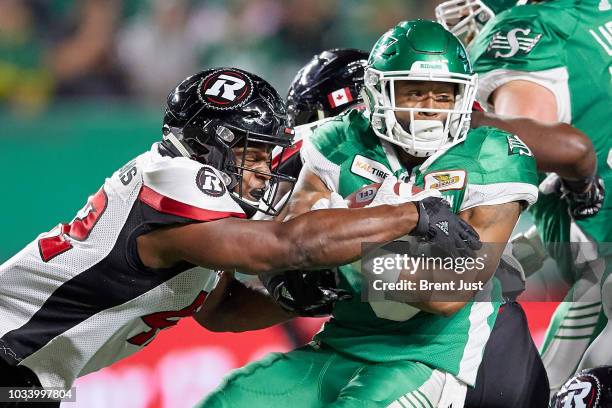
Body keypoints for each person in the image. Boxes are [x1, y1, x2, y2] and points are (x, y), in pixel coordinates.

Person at [0, 67, 480, 407]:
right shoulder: (173, 178)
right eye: (251, 153)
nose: (262, 171)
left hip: (34, 380)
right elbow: (285, 245)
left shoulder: (201, 216)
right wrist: (410, 214)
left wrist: (325, 297)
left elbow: (221, 311)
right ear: (209, 144)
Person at [198, 20, 540, 408]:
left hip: (428, 355)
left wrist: (340, 248)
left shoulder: (493, 155)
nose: (429, 109)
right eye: (414, 93)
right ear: (378, 92)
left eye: (443, 97)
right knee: (228, 402)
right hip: (343, 341)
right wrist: (388, 234)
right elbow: (286, 246)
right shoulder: (340, 138)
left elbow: (446, 291)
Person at [467, 0, 611, 394]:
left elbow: (514, 156)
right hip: (594, 268)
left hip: (600, 270)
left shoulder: (532, 30)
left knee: (583, 388)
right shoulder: (594, 21)